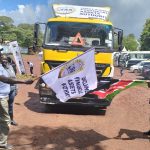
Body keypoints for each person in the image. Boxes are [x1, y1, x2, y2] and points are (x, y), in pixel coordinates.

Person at [0, 54, 34, 149]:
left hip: (4, 96)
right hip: (1, 98)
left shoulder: (6, 67)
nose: (3, 57)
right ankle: (2, 143)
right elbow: (5, 80)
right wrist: (24, 82)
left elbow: (11, 77)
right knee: (5, 121)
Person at [1, 55, 18, 126]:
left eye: (6, 60)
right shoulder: (1, 69)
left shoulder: (11, 67)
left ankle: (11, 119)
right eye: (3, 60)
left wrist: (16, 88)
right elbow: (6, 80)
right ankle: (3, 120)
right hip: (3, 90)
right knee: (2, 106)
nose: (4, 61)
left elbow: (15, 78)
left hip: (12, 89)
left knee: (10, 105)